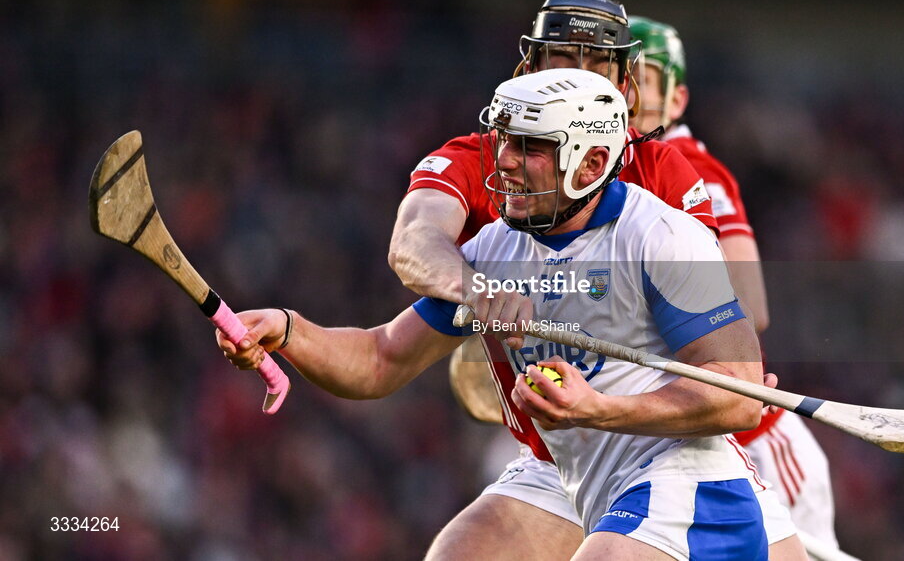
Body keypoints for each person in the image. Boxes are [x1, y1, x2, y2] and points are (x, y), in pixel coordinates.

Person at [220, 69, 805, 560]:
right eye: (503, 141)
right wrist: (289, 330)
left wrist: (600, 410)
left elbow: (741, 395)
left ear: (591, 160)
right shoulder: (496, 249)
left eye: (530, 147)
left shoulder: (664, 235)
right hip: (579, 482)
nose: (504, 162)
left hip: (690, 486)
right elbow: (379, 360)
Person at [387, 0, 807, 559]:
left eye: (598, 62)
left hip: (658, 439)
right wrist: (481, 292)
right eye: (563, 57)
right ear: (530, 67)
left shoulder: (663, 174)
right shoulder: (489, 158)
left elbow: (735, 317)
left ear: (623, 82)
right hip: (559, 453)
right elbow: (413, 247)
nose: (580, 76)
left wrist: (726, 370)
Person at [629, 15, 840, 551]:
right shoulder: (613, 176)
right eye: (614, 73)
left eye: (641, 77)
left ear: (677, 101)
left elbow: (749, 306)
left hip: (756, 445)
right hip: (672, 449)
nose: (622, 90)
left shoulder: (690, 168)